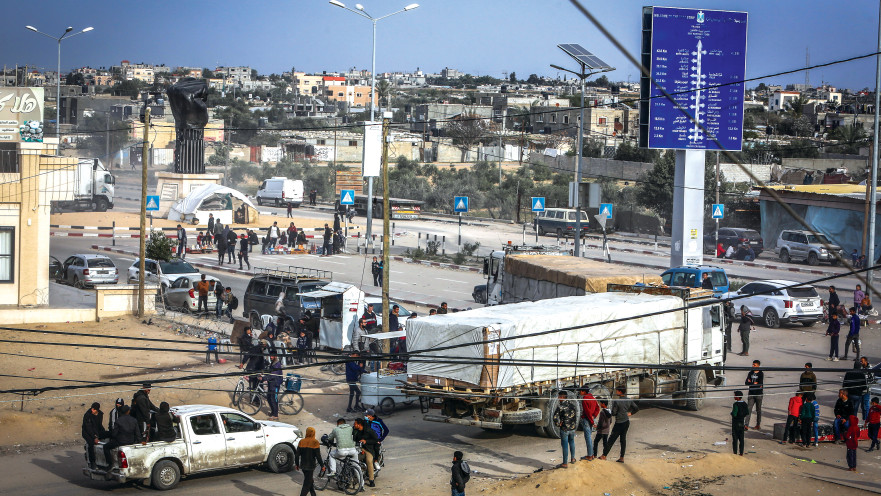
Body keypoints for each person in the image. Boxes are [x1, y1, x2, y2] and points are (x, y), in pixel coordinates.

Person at [600, 387, 638, 462]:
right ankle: (622, 457)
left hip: (619, 423)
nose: (616, 392)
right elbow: (636, 408)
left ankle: (604, 455)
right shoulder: (628, 400)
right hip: (626, 422)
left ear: (620, 392)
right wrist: (630, 413)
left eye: (617, 391)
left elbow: (614, 413)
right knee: (623, 440)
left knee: (611, 440)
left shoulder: (617, 401)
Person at [296, 427, 326, 496]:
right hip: (311, 466)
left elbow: (297, 455)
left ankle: (313, 494)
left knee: (309, 481)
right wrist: (322, 466)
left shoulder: (301, 441)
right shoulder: (315, 442)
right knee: (307, 484)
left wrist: (297, 464)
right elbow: (318, 456)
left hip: (303, 466)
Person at [553, 391, 578, 468]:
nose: (558, 398)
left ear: (562, 397)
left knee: (565, 446)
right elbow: (575, 415)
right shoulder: (572, 405)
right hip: (572, 428)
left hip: (564, 428)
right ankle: (573, 458)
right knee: (572, 442)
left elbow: (555, 417)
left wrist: (558, 424)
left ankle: (565, 463)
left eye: (559, 396)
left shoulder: (560, 407)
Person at [353, 418, 378, 487]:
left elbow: (376, 440)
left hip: (368, 449)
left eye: (355, 424)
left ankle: (371, 480)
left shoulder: (368, 430)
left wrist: (366, 441)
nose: (354, 425)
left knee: (369, 461)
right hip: (358, 448)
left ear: (359, 425)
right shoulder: (355, 430)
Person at [82, 402, 105, 469]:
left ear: (97, 410)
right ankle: (92, 462)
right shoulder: (87, 415)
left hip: (97, 431)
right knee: (91, 444)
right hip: (87, 433)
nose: (92, 410)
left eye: (94, 409)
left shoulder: (100, 414)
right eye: (92, 408)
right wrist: (94, 437)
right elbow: (88, 428)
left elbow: (99, 425)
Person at [579, 388, 600, 461]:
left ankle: (590, 455)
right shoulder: (593, 398)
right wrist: (594, 416)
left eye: (581, 391)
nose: (580, 392)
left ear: (584, 391)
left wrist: (591, 421)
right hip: (592, 418)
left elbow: (587, 411)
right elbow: (598, 408)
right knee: (590, 437)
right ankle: (591, 454)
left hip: (587, 420)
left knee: (588, 438)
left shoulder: (585, 399)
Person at [745, 360, 764, 430]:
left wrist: (752, 383)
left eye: (755, 365)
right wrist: (753, 383)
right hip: (751, 394)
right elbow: (746, 382)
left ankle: (758, 424)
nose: (753, 366)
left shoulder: (761, 374)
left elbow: (760, 384)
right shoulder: (750, 373)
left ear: (758, 366)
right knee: (748, 409)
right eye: (753, 365)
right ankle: (746, 424)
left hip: (759, 394)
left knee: (758, 410)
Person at [731, 391, 748, 456]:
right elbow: (747, 412)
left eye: (735, 395)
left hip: (735, 423)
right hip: (741, 422)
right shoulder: (745, 404)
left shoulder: (735, 404)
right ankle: (741, 453)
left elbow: (734, 414)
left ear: (738, 397)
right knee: (741, 439)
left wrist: (732, 413)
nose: (734, 397)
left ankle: (735, 453)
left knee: (735, 439)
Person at [266, 355, 283, 420]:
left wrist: (264, 378)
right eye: (270, 356)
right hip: (271, 383)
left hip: (275, 384)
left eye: (272, 356)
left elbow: (273, 375)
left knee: (274, 399)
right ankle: (273, 412)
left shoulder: (277, 364)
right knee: (269, 398)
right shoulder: (272, 363)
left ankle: (276, 415)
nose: (271, 357)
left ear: (275, 356)